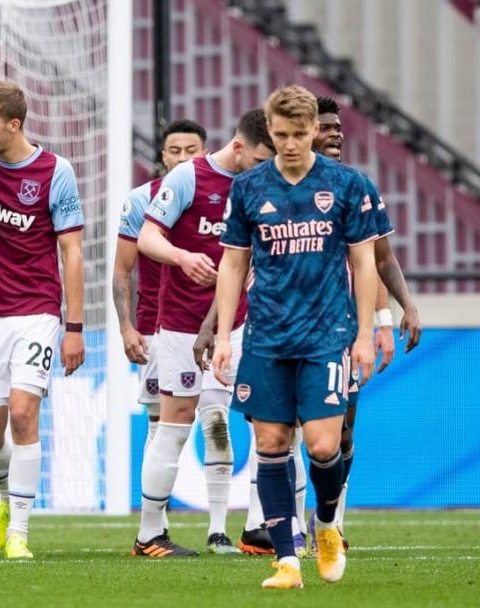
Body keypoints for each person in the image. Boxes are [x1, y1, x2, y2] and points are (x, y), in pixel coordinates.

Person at [212, 84, 379, 589]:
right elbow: (233, 262)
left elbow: (364, 260)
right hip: (265, 336)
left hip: (327, 334)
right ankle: (286, 559)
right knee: (270, 441)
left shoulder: (347, 185)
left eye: (298, 134)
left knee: (325, 447)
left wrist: (366, 333)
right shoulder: (249, 188)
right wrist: (223, 335)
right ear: (270, 129)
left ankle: (326, 525)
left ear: (314, 131)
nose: (289, 143)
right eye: (280, 134)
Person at [0, 80, 86, 559]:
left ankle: (20, 533)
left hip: (37, 313)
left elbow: (72, 251)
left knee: (24, 414)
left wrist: (74, 327)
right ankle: (7, 498)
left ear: (14, 124)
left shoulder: (54, 172)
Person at [133, 109, 274, 557]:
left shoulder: (262, 184)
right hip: (177, 323)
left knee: (265, 424)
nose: (262, 170)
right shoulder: (188, 179)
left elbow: (247, 262)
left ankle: (257, 528)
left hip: (241, 322)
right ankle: (149, 535)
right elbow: (147, 238)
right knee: (174, 428)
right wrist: (181, 257)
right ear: (237, 147)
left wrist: (220, 324)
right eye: (257, 160)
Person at [308, 96, 422, 549]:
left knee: (341, 429)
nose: (337, 134)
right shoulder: (274, 185)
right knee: (285, 430)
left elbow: (380, 257)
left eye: (339, 127)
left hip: (340, 326)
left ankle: (328, 522)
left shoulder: (357, 186)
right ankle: (276, 527)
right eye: (326, 127)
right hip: (285, 325)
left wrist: (401, 309)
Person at [113, 119, 207, 465]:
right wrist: (127, 327)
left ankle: (219, 519)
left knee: (216, 421)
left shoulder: (223, 197)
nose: (182, 158)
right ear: (163, 157)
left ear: (205, 154)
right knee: (160, 425)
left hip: (214, 326)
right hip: (155, 330)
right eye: (175, 151)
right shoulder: (140, 201)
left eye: (191, 151)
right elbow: (122, 270)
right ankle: (157, 517)